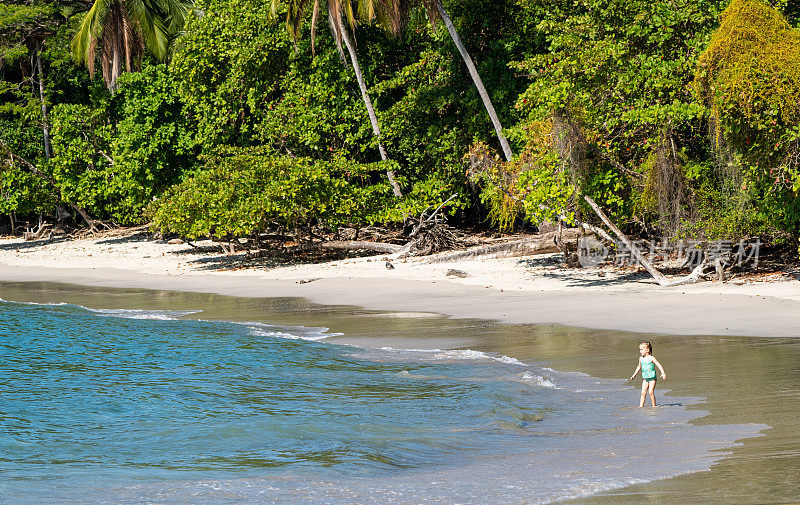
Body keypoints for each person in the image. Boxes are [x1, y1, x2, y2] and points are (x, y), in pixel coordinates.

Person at [628, 341, 666, 407]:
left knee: (650, 392)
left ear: (647, 350)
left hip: (652, 378)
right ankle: (641, 406)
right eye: (639, 349)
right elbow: (638, 367)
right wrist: (634, 375)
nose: (640, 351)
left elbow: (659, 365)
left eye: (642, 349)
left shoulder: (651, 358)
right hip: (645, 378)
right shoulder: (641, 358)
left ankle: (654, 406)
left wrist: (663, 373)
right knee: (643, 393)